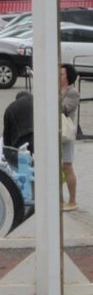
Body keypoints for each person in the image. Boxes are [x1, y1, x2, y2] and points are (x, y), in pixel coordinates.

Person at [61, 63, 80, 211]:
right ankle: (59, 199)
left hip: (66, 133)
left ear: (68, 77)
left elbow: (64, 109)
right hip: (55, 132)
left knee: (67, 166)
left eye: (61, 75)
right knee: (57, 167)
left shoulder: (72, 93)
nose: (58, 77)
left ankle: (72, 200)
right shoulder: (57, 90)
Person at [2, 91, 33, 166]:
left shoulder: (10, 108)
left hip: (21, 141)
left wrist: (7, 151)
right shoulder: (37, 101)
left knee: (22, 165)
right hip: (38, 138)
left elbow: (7, 135)